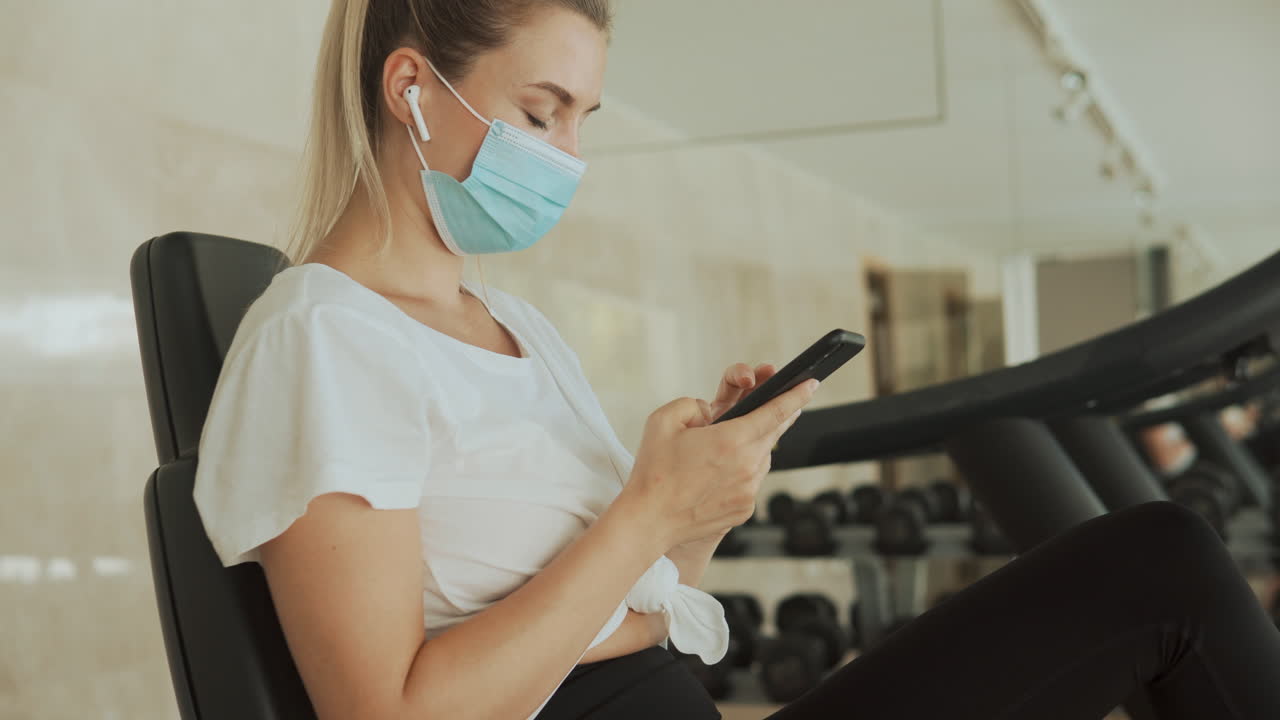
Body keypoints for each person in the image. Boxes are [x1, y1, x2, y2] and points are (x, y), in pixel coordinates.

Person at [191, 1, 1280, 718]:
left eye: (582, 121)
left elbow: (627, 604)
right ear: (411, 88)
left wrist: (696, 514)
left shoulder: (517, 325)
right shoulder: (323, 337)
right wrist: (643, 518)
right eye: (541, 111)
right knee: (1159, 569)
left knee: (1158, 560)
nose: (565, 157)